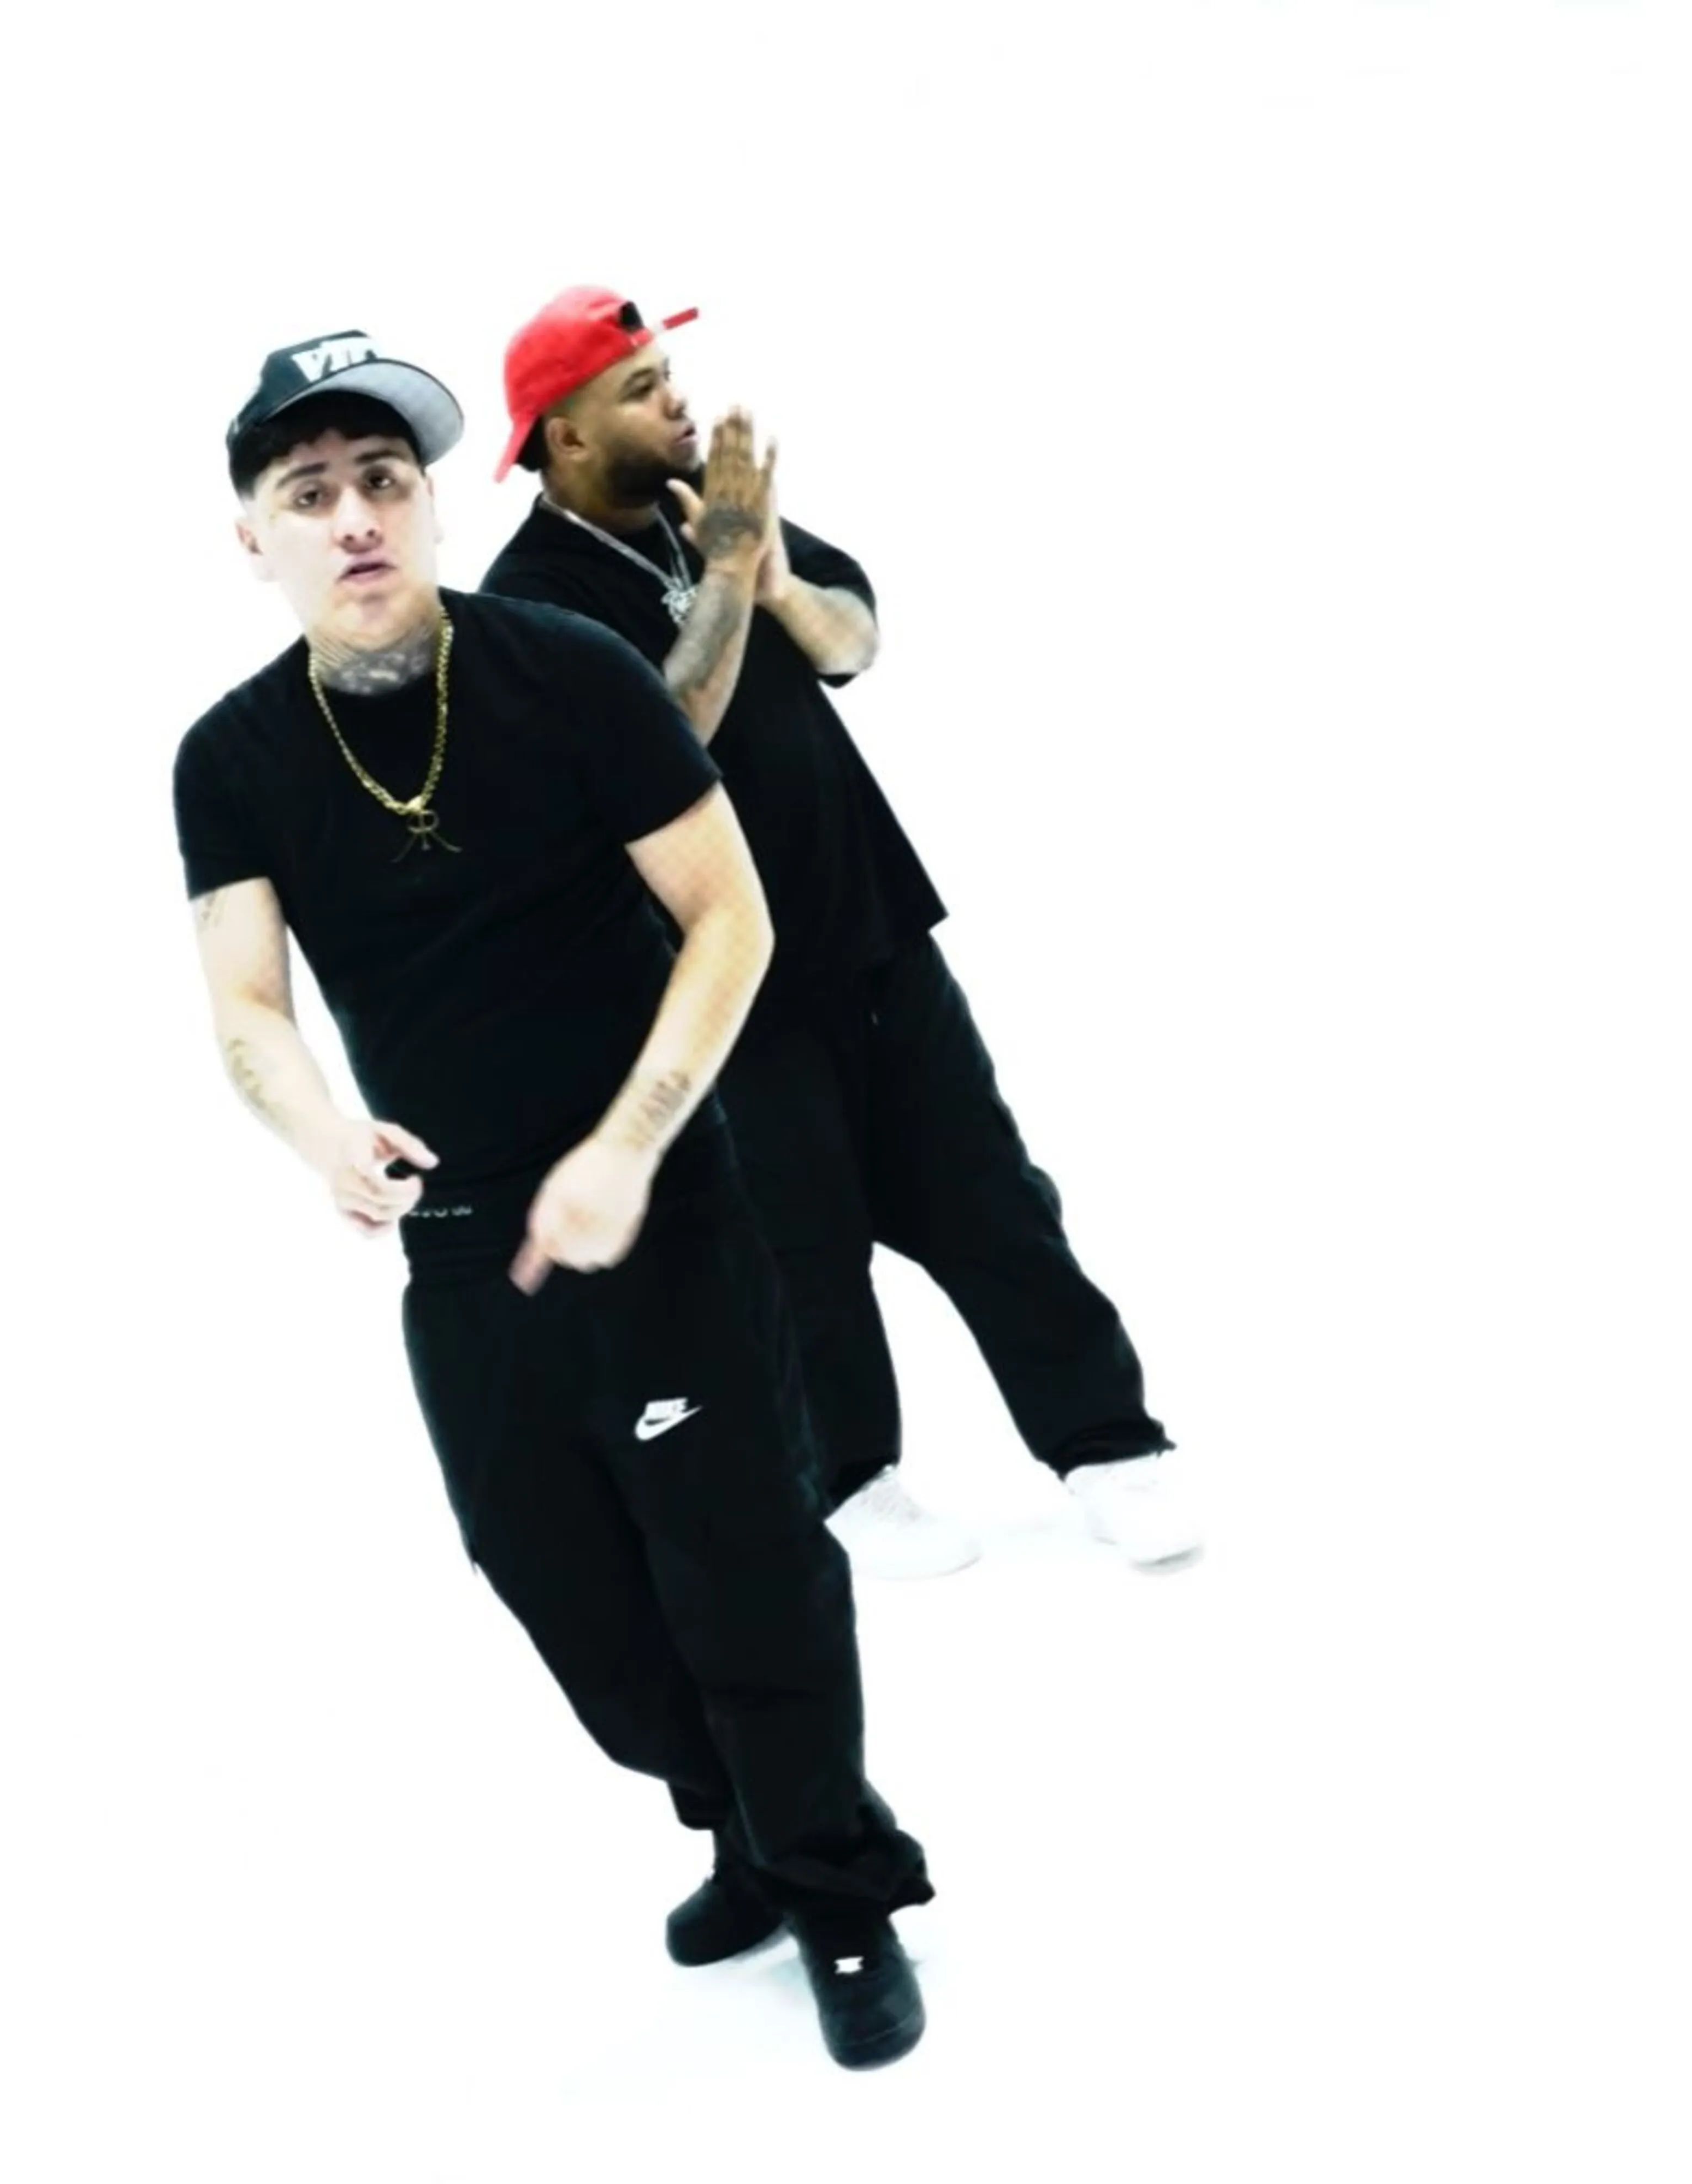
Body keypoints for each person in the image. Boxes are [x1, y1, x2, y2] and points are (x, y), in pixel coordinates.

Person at [170, 329, 935, 2069]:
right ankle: (739, 1817)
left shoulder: (570, 672)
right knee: (555, 1576)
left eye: (383, 481)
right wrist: (322, 1133)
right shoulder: (231, 757)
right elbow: (247, 1006)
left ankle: (836, 1882)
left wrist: (632, 1143)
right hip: (462, 1250)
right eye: (310, 493)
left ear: (429, 503)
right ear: (255, 537)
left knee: (745, 1563)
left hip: (659, 1204)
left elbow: (729, 917)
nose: (355, 518)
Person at [480, 287, 1201, 1581]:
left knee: (995, 1202)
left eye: (667, 371)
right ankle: (853, 1481)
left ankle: (1109, 1445)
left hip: (875, 932)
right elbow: (657, 739)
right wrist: (724, 574)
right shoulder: (528, 605)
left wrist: (770, 576)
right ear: (564, 435)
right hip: (727, 984)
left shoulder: (708, 509)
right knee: (799, 1244)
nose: (678, 401)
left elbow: (852, 638)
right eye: (640, 388)